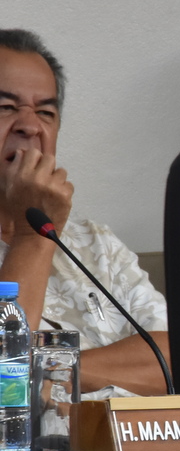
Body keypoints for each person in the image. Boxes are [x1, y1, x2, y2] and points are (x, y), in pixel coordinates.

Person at [0, 29, 169, 398]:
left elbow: (176, 359)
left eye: (46, 112)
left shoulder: (96, 243)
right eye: (6, 107)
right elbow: (5, 387)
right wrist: (32, 237)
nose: (30, 126)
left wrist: (48, 371)